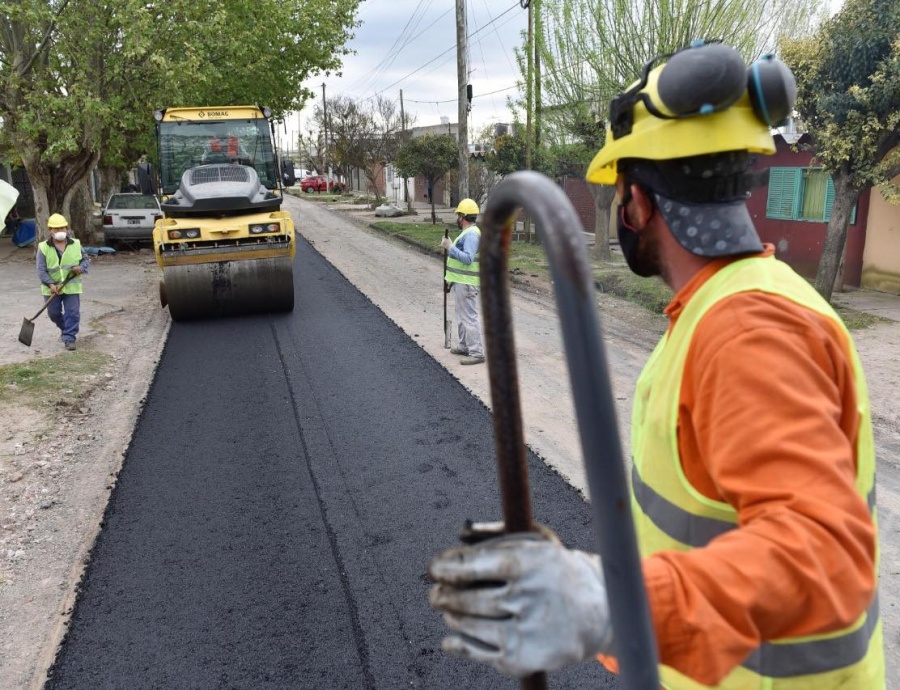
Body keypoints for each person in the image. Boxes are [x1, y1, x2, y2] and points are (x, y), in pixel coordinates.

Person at [428, 42, 884, 688]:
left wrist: (614, 604)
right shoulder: (732, 304)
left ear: (637, 201)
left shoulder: (748, 330)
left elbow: (827, 556)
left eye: (621, 196)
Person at [36, 213, 90, 351]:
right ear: (50, 231)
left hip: (71, 286)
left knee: (72, 313)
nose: (60, 231)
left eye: (62, 228)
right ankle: (65, 329)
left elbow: (85, 260)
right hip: (51, 288)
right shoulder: (43, 247)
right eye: (56, 229)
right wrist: (51, 284)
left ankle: (69, 338)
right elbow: (41, 270)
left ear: (67, 229)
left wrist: (81, 268)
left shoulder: (76, 244)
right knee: (53, 313)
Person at [441, 199, 484, 365]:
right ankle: (464, 346)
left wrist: (450, 248)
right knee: (461, 315)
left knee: (469, 317)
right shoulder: (467, 233)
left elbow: (467, 258)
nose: (457, 218)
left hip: (467, 283)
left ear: (464, 216)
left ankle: (476, 352)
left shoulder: (472, 234)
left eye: (459, 215)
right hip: (461, 282)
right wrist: (451, 280)